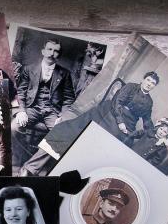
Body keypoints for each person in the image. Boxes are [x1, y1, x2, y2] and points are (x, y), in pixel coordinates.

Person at [20, 71, 160, 177]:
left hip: (127, 127)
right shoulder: (130, 87)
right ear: (143, 79)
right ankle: (32, 168)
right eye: (148, 80)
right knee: (67, 132)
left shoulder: (149, 102)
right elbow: (117, 103)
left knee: (108, 151)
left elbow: (147, 121)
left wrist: (156, 131)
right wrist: (120, 122)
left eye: (153, 83)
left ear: (154, 86)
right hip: (109, 113)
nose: (149, 84)